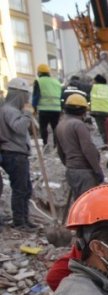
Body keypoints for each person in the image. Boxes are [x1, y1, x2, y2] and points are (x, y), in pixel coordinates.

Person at [0, 78, 37, 230]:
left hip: (15, 152)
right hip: (14, 153)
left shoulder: (9, 110)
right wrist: (27, 115)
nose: (27, 99)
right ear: (18, 95)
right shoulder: (10, 111)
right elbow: (19, 127)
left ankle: (24, 219)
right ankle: (20, 221)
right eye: (25, 95)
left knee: (25, 188)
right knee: (20, 189)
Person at [55, 94, 104, 203]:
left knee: (79, 204)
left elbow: (60, 151)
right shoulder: (78, 125)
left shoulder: (60, 125)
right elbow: (88, 149)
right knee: (88, 205)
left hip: (71, 170)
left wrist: (69, 165)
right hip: (84, 172)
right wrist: (97, 170)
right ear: (82, 110)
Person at [31, 64, 62, 147]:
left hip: (44, 109)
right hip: (56, 109)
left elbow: (36, 96)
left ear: (39, 72)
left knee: (43, 128)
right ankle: (57, 145)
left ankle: (45, 145)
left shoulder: (39, 81)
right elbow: (61, 95)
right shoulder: (56, 82)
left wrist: (33, 108)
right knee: (55, 128)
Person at [90, 74, 108, 144]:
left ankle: (106, 143)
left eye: (93, 81)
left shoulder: (93, 87)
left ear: (96, 81)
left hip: (98, 112)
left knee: (103, 130)